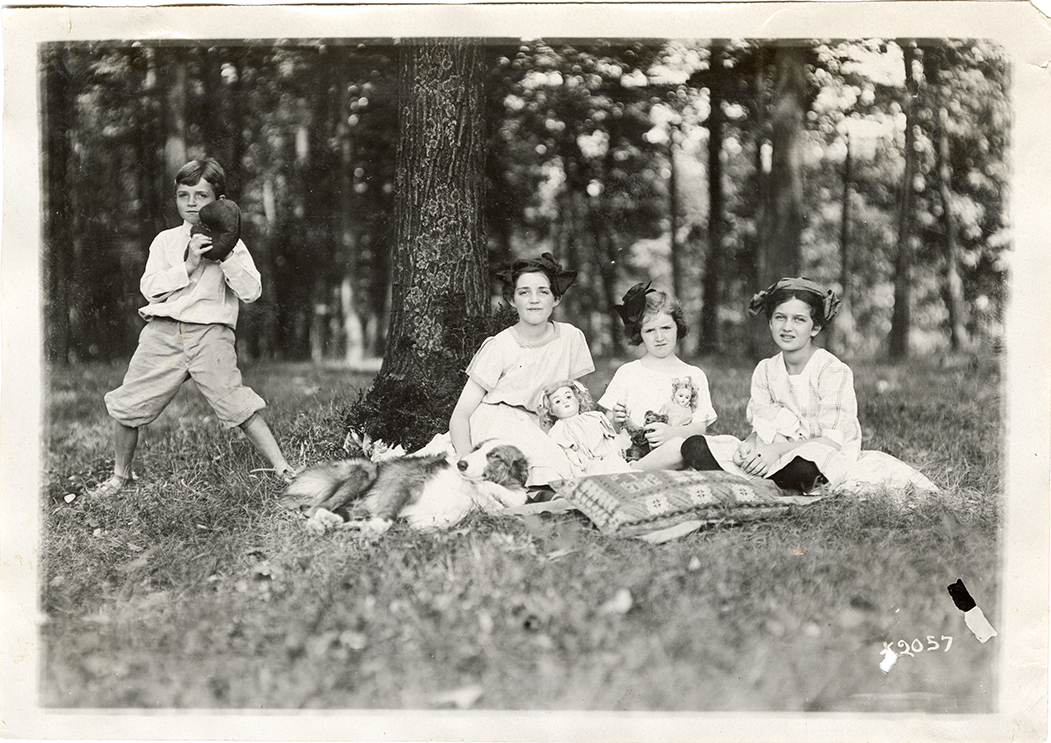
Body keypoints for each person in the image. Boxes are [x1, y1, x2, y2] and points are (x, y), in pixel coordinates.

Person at [88, 159, 294, 498]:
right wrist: (187, 265)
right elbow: (149, 288)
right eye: (184, 195)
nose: (192, 203)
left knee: (237, 404)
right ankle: (119, 477)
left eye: (201, 195)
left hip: (210, 334)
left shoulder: (234, 243)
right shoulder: (166, 241)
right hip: (163, 331)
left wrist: (225, 255)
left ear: (219, 200)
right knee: (129, 402)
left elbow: (251, 291)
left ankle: (284, 469)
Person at [681, 276, 860, 493]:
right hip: (770, 451)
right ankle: (767, 480)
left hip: (819, 453)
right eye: (780, 317)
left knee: (806, 464)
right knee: (695, 445)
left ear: (815, 327)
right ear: (770, 323)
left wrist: (777, 451)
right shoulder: (766, 369)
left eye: (799, 320)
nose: (787, 327)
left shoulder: (832, 370)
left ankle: (768, 480)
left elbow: (832, 442)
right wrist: (749, 444)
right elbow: (763, 426)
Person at [448, 253, 594, 486]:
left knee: (576, 468)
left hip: (545, 425)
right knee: (542, 466)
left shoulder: (571, 337)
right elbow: (461, 415)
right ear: (512, 300)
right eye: (524, 292)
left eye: (543, 292)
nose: (534, 300)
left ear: (556, 299)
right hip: (499, 421)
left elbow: (577, 399)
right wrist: (466, 456)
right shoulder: (500, 346)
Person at [597, 282, 717, 469]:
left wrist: (671, 433)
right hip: (629, 451)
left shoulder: (693, 375)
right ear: (639, 333)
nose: (659, 337)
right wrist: (616, 419)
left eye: (666, 328)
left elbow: (700, 427)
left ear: (677, 327)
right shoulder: (627, 372)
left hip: (670, 456)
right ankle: (632, 468)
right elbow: (609, 426)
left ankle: (634, 471)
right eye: (650, 330)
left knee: (681, 447)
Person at [538, 380, 633, 477]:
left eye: (568, 397)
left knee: (616, 464)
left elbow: (609, 436)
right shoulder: (558, 429)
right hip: (585, 465)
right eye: (557, 401)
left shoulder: (594, 417)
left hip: (606, 456)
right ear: (551, 411)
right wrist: (576, 461)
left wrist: (614, 450)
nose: (565, 401)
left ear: (578, 400)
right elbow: (563, 451)